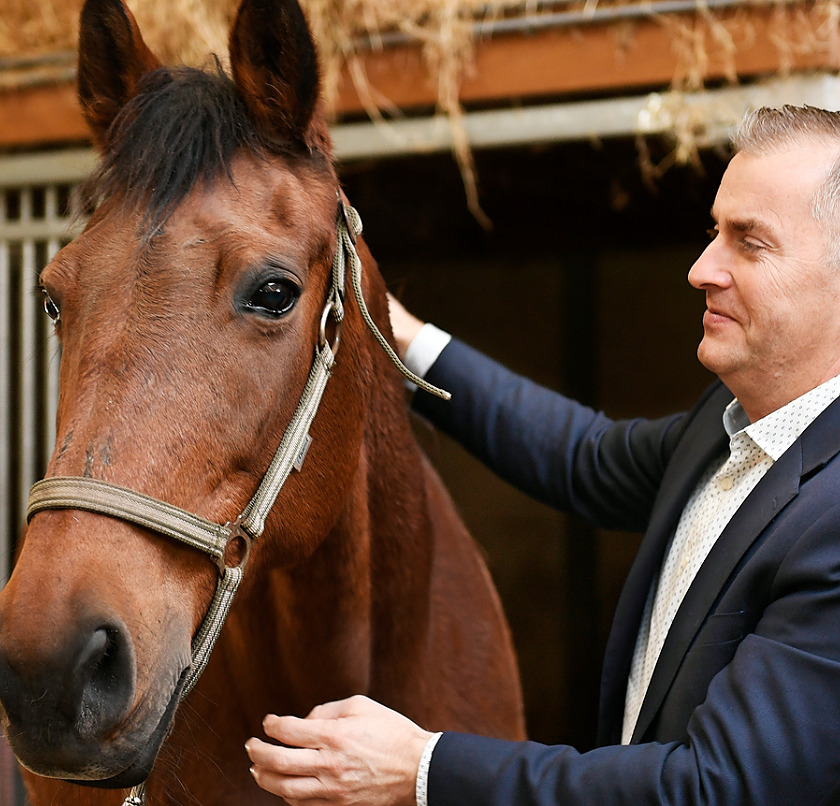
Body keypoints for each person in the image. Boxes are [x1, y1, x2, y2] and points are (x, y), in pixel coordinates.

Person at [244, 104, 840, 804]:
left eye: (750, 242)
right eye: (715, 231)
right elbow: (583, 457)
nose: (701, 269)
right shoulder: (731, 424)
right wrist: (405, 336)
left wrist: (423, 767)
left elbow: (712, 788)